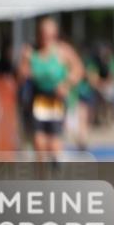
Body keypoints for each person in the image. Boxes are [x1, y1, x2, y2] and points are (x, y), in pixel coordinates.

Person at [16, 17, 84, 162]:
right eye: (43, 34)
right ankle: (42, 179)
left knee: (53, 143)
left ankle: (55, 169)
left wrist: (66, 84)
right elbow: (20, 76)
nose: (46, 38)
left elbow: (78, 70)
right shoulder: (30, 51)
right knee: (39, 142)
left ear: (55, 34)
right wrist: (25, 67)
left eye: (50, 34)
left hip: (56, 98)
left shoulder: (62, 50)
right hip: (37, 98)